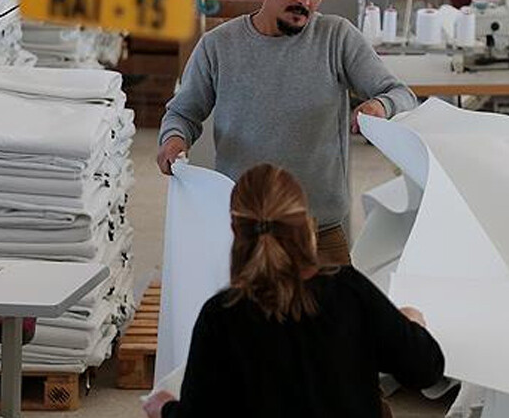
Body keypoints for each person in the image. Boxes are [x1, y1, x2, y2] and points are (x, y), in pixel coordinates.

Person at [157, 0, 417, 265]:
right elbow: (182, 112)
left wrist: (380, 105)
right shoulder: (218, 46)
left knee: (333, 316)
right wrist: (173, 139)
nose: (306, 1)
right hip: (245, 231)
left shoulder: (336, 38)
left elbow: (401, 94)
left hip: (319, 231)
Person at [142, 164, 445, 418]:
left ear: (235, 230)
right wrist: (411, 327)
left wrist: (166, 408)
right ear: (307, 225)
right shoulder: (349, 292)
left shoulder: (222, 316)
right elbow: (425, 370)